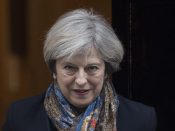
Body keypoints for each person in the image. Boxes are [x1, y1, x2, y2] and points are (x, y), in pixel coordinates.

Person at [3, 9, 157, 131]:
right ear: (54, 70)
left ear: (106, 70)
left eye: (92, 68)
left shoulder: (141, 120)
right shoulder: (20, 117)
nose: (81, 80)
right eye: (69, 67)